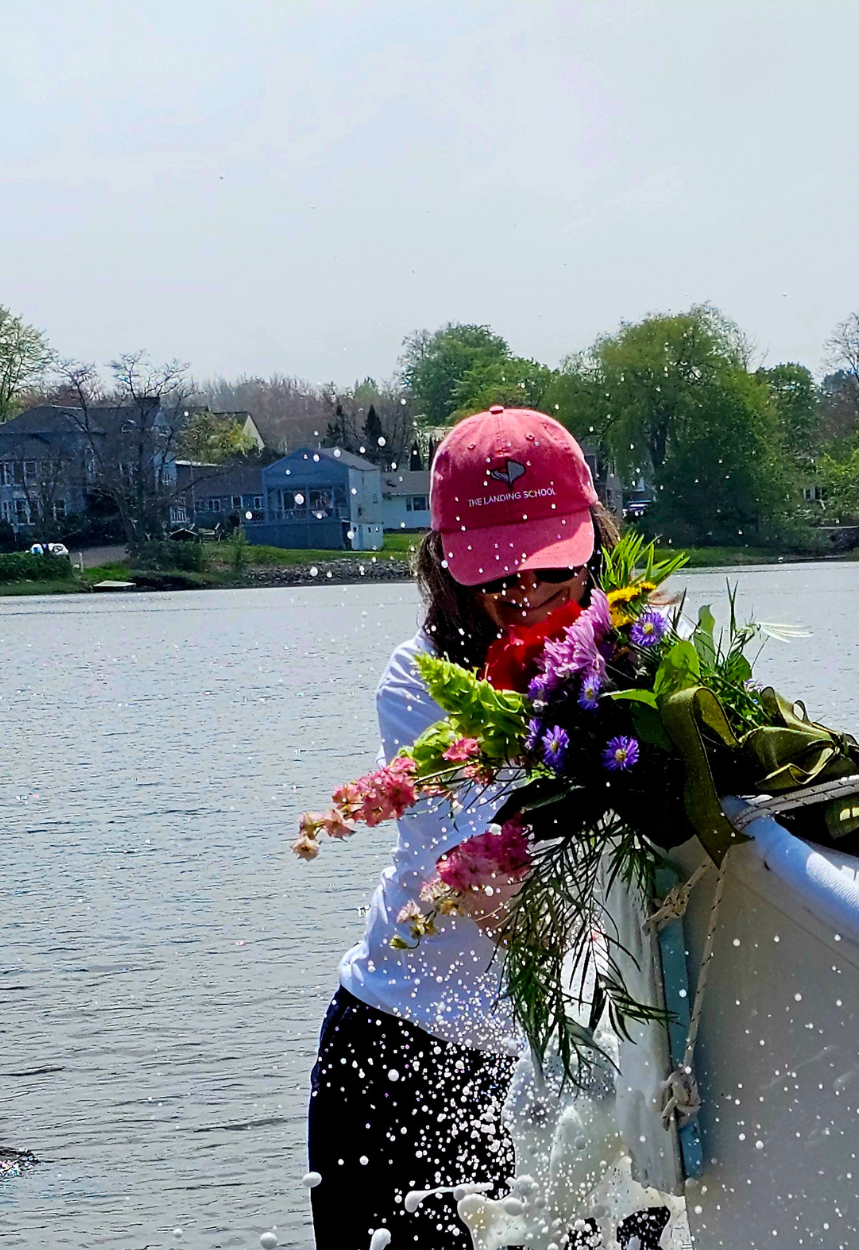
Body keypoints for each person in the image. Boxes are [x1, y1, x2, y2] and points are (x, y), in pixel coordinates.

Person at [307, 405, 618, 1250]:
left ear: (594, 540)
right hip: (405, 1060)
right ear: (445, 565)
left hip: (578, 1061)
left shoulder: (643, 665)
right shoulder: (419, 685)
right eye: (496, 574)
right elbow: (493, 887)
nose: (524, 595)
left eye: (551, 569)